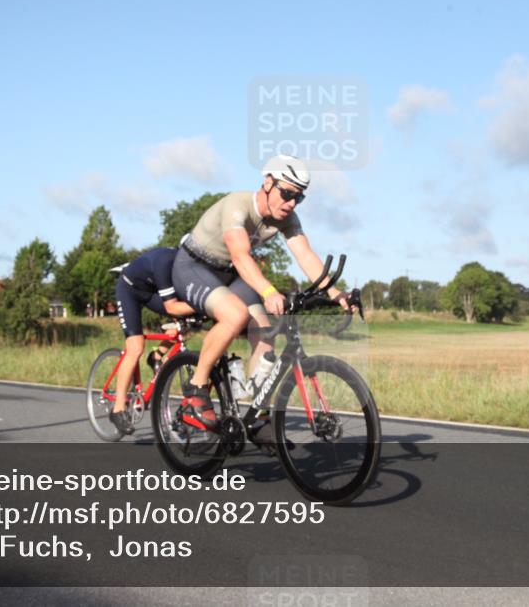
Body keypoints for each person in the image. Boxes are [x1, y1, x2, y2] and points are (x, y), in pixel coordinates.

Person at [171, 155, 354, 441]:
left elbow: (305, 255)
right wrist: (268, 292)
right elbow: (240, 254)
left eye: (299, 197)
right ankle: (196, 389)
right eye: (287, 193)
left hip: (228, 274)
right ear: (268, 183)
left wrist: (335, 292)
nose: (292, 203)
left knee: (266, 330)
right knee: (235, 315)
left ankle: (258, 417)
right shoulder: (237, 205)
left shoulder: (287, 218)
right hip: (193, 266)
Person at [111, 247, 196, 435]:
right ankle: (118, 409)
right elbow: (172, 307)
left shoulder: (187, 269)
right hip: (129, 290)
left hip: (149, 293)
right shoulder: (165, 262)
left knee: (186, 323)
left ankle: (156, 356)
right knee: (135, 348)